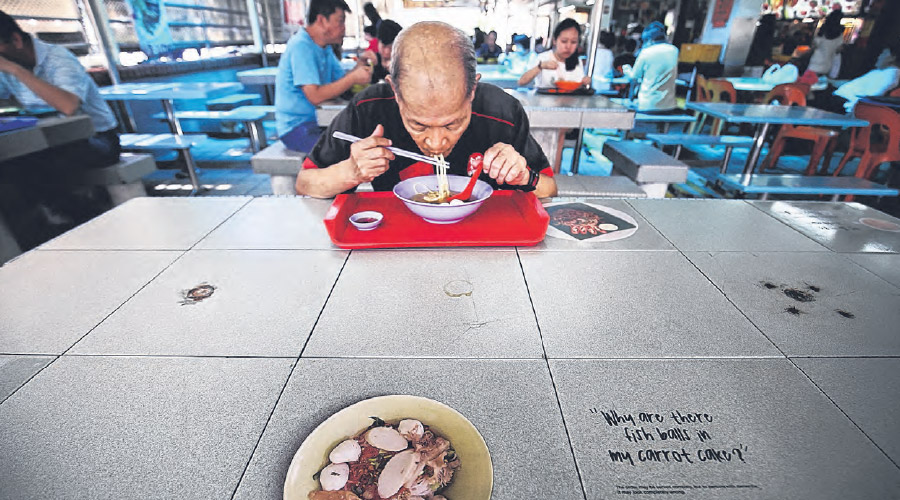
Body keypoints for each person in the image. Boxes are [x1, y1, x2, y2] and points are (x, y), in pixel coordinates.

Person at [295, 21, 557, 199]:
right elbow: (305, 182)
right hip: (394, 242)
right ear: (395, 91)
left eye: (451, 124)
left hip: (486, 242)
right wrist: (351, 172)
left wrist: (524, 176)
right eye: (418, 125)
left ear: (472, 91)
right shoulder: (370, 108)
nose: (435, 142)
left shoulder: (501, 111)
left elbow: (549, 188)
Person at [0, 10, 119, 169]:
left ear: (16, 40)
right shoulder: (6, 67)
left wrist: (17, 71)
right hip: (48, 138)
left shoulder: (57, 58)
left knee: (27, 163)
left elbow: (68, 106)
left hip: (98, 139)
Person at [275, 0, 372, 151]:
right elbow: (315, 96)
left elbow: (340, 82)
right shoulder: (301, 46)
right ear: (321, 20)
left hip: (320, 122)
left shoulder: (324, 48)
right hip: (297, 129)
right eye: (340, 21)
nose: (343, 28)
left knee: (366, 140)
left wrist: (359, 66)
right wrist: (353, 78)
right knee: (347, 152)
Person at [517, 19, 591, 88]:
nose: (568, 46)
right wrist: (540, 66)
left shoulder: (577, 61)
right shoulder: (543, 58)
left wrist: (584, 82)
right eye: (564, 41)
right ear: (554, 41)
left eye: (573, 42)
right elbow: (521, 82)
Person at [623, 21, 678, 112]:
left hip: (648, 104)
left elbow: (634, 76)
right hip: (669, 105)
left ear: (648, 39)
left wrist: (627, 69)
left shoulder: (646, 52)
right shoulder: (674, 50)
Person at [832, 43, 900, 113]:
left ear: (892, 58)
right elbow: (853, 84)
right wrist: (830, 81)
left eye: (883, 54)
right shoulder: (879, 72)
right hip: (839, 97)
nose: (879, 57)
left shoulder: (890, 74)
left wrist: (852, 106)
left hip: (844, 103)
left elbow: (871, 97)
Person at [808, 10, 844, 76]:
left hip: (815, 63)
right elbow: (838, 50)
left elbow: (814, 45)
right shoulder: (840, 35)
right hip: (827, 66)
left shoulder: (822, 31)